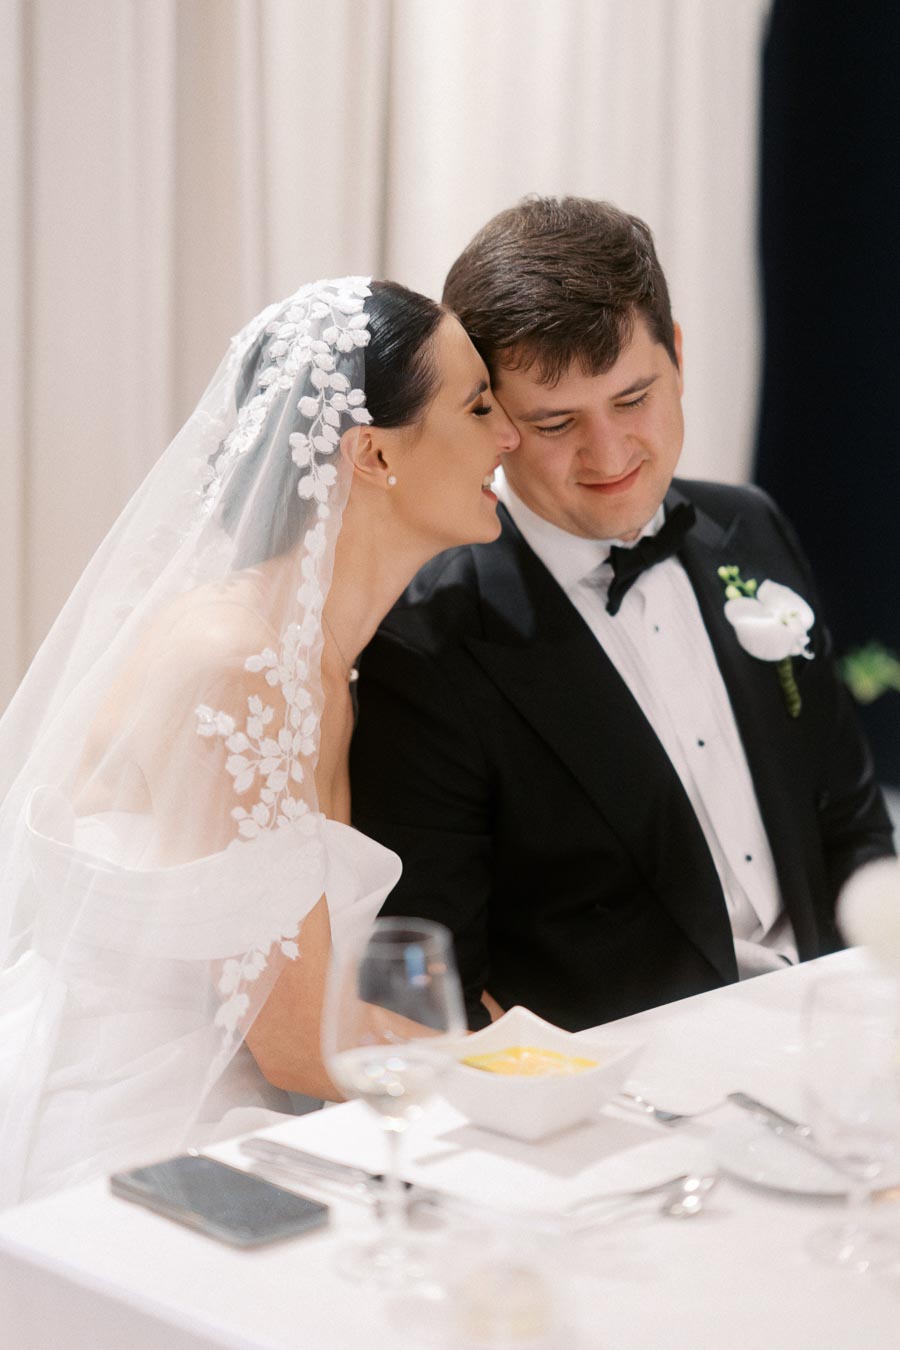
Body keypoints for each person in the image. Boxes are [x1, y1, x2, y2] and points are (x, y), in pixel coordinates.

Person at [0, 276, 518, 1205]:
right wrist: (509, 1067)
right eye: (479, 406)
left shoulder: (320, 666)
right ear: (372, 455)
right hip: (140, 1129)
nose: (509, 437)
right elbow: (294, 1040)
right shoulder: (236, 665)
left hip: (261, 1104)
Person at [350, 197, 895, 1032]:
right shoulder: (428, 639)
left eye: (634, 398)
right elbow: (437, 986)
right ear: (490, 419)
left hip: (838, 1041)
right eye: (556, 422)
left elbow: (849, 819)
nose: (608, 456)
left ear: (676, 357)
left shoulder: (749, 525)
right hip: (625, 1103)